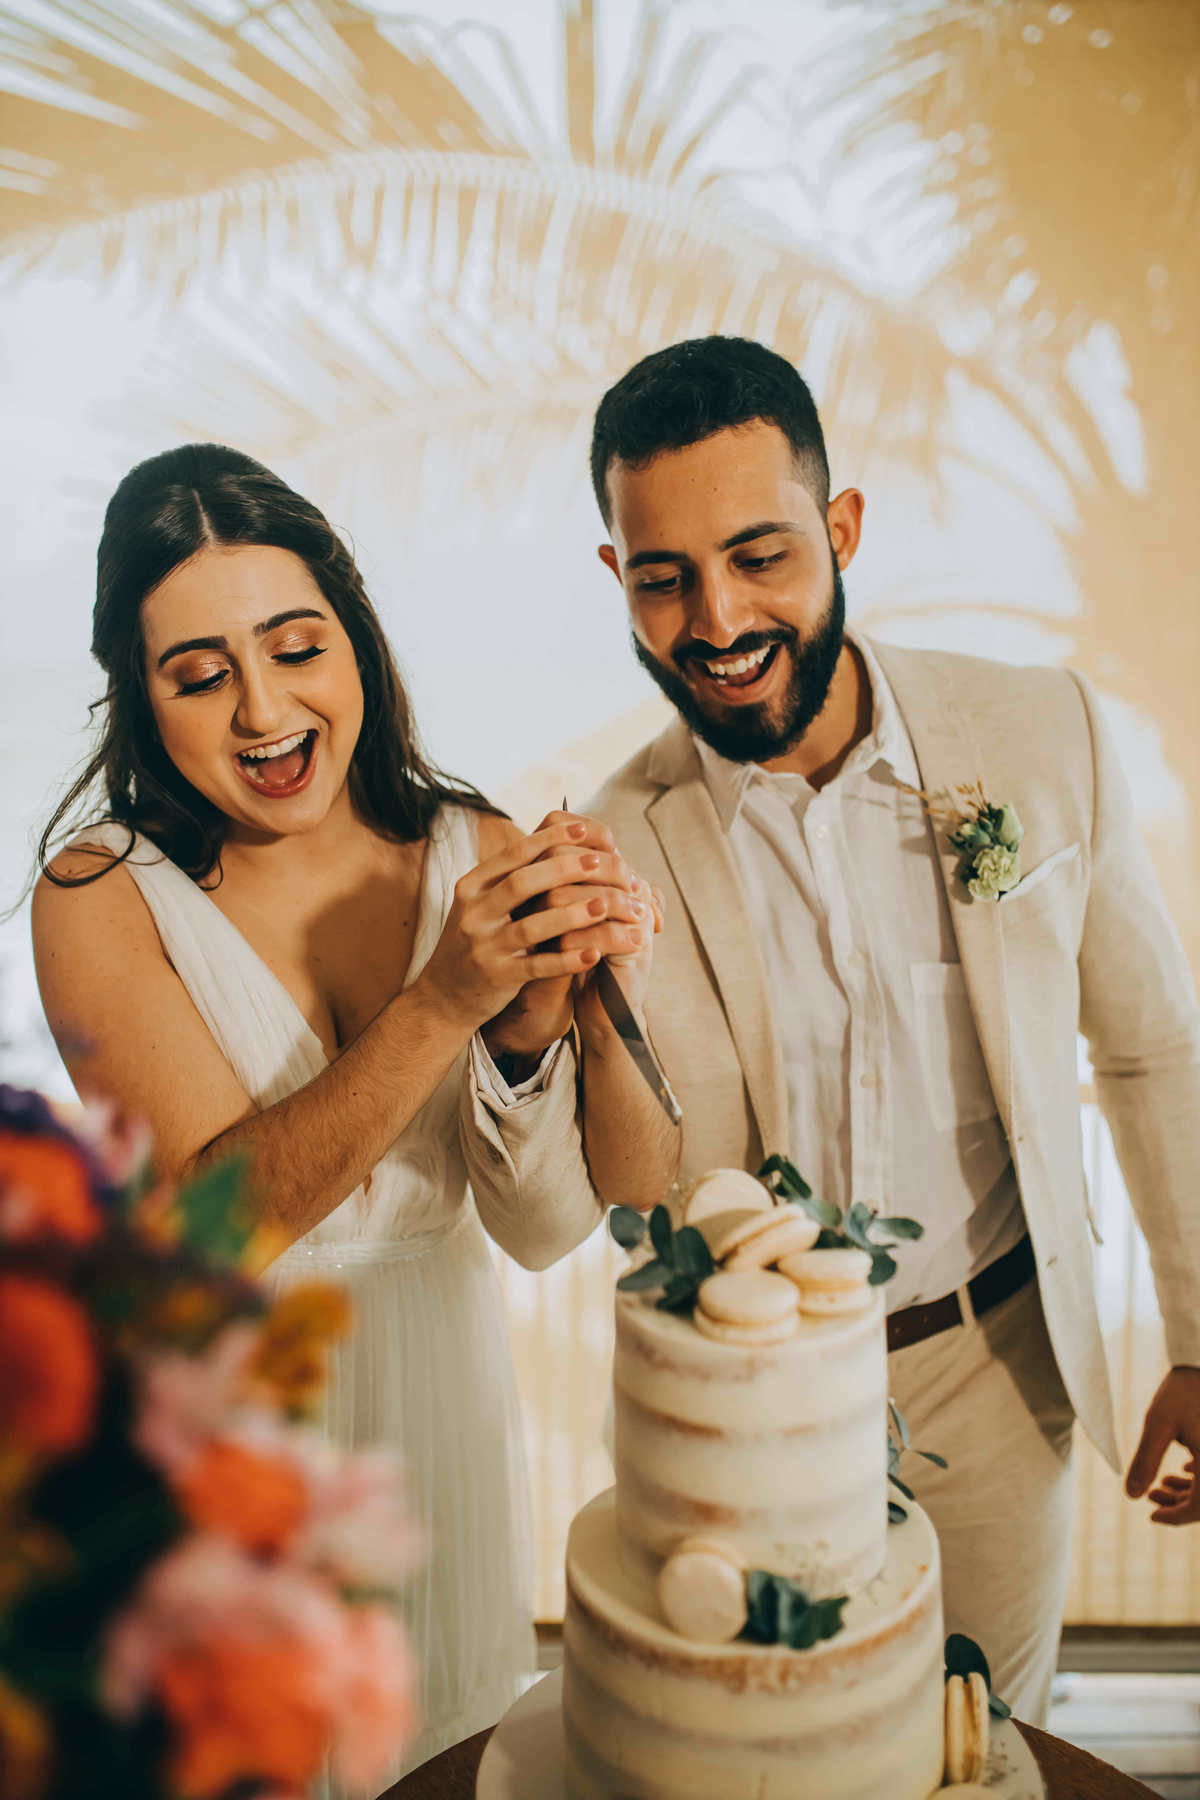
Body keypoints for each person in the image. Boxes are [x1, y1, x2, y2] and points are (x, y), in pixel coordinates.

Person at [463, 335, 1200, 1726]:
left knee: (988, 1743)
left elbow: (1153, 1046)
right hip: (731, 1413)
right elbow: (554, 1220)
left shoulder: (1042, 735)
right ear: (618, 578)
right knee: (754, 1755)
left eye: (761, 556)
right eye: (666, 575)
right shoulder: (600, 843)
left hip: (999, 1372)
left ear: (840, 528)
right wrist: (517, 1030)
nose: (720, 618)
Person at [30, 442, 676, 1783]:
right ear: (141, 702)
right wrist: (445, 998)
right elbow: (218, 1229)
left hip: (440, 1440)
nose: (264, 711)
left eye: (295, 647)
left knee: (442, 1758)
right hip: (232, 1460)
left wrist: (577, 1000)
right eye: (200, 677)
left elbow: (554, 1225)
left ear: (356, 638)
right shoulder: (99, 895)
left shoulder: (475, 849)